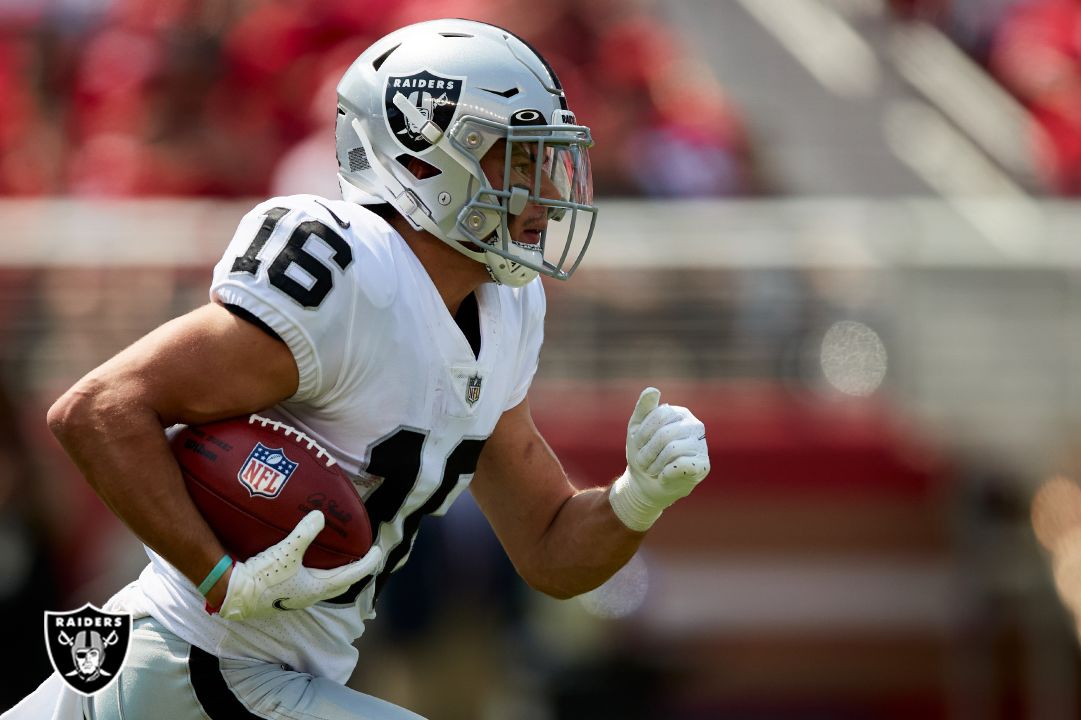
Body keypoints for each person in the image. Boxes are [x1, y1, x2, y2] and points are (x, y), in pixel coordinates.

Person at [5, 18, 710, 720]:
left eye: (544, 158)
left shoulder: (508, 307)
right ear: (426, 157)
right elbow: (97, 408)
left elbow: (551, 550)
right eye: (516, 158)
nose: (544, 186)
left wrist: (635, 498)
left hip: (265, 674)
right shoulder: (350, 272)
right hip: (196, 660)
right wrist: (219, 576)